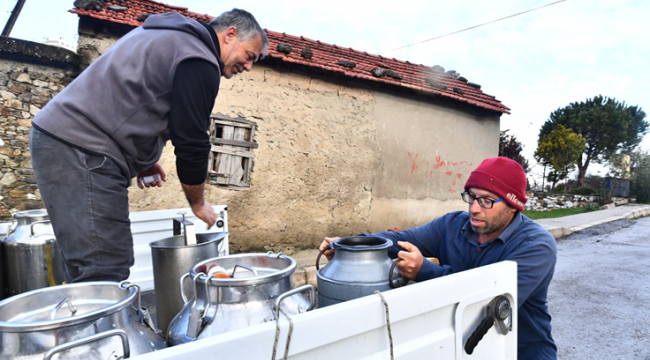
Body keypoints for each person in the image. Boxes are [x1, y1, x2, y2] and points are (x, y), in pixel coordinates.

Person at [29, 9, 268, 283]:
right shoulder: (199, 59)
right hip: (82, 147)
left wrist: (141, 156)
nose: (248, 67)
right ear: (231, 35)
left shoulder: (165, 36)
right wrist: (198, 203)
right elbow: (191, 140)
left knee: (87, 264)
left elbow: (129, 95)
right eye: (250, 56)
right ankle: (104, 324)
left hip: (65, 140)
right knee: (104, 269)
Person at [320, 157, 557, 359]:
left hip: (519, 352)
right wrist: (347, 244)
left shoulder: (536, 246)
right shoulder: (452, 225)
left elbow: (483, 302)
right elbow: (400, 239)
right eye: (471, 196)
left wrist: (425, 271)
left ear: (513, 205)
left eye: (487, 200)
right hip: (459, 347)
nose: (474, 208)